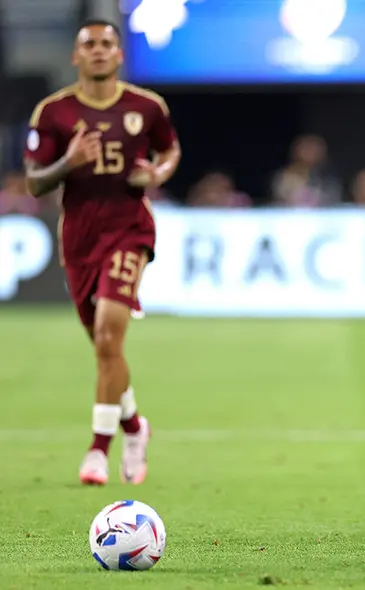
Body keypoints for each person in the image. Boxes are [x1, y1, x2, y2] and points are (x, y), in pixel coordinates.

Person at [23, 19, 181, 486]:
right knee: (103, 348)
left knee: (111, 339)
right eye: (88, 44)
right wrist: (68, 162)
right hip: (80, 239)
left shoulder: (146, 107)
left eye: (106, 44)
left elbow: (170, 151)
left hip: (130, 230)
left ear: (119, 55)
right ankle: (136, 427)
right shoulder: (53, 113)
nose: (97, 51)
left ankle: (98, 449)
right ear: (76, 56)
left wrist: (156, 174)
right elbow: (34, 182)